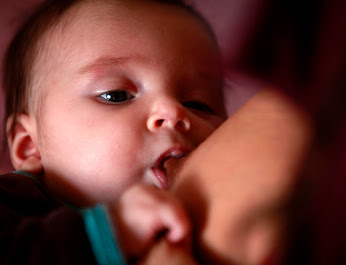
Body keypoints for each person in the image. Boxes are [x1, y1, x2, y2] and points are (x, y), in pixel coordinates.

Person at [0, 0, 227, 264]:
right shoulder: (14, 206)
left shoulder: (223, 214)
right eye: (116, 95)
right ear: (30, 145)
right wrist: (108, 231)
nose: (174, 112)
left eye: (197, 104)